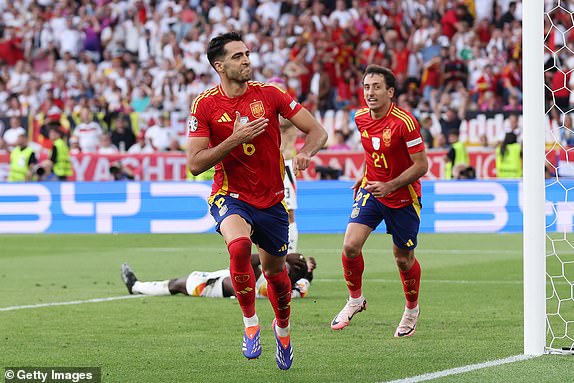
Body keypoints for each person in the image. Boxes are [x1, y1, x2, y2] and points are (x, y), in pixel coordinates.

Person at [186, 32, 327, 369]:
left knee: (276, 275)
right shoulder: (204, 104)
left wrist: (306, 153)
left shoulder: (271, 95)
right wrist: (234, 139)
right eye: (237, 56)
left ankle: (283, 330)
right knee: (238, 248)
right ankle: (250, 325)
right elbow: (194, 164)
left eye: (247, 53)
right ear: (219, 66)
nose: (246, 60)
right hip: (230, 195)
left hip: (272, 201)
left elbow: (318, 131)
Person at [330, 65, 428, 338]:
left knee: (403, 259)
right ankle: (355, 300)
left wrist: (391, 185)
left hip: (403, 195)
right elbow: (372, 153)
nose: (370, 92)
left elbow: (422, 166)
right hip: (372, 190)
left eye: (376, 87)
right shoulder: (360, 117)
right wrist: (364, 177)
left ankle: (411, 309)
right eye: (366, 87)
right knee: (350, 245)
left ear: (390, 92)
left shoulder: (404, 123)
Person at [120, 253, 316, 299]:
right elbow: (305, 281)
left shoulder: (265, 289)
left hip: (215, 286)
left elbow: (245, 262)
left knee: (177, 284)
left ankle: (136, 286)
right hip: (227, 278)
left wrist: (279, 256)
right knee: (177, 284)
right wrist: (308, 271)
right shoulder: (298, 289)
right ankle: (136, 286)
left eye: (287, 268)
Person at [268, 76, 299, 253]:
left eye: (279, 89)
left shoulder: (290, 109)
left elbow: (279, 119)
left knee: (289, 213)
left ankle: (292, 256)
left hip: (285, 165)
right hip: (266, 166)